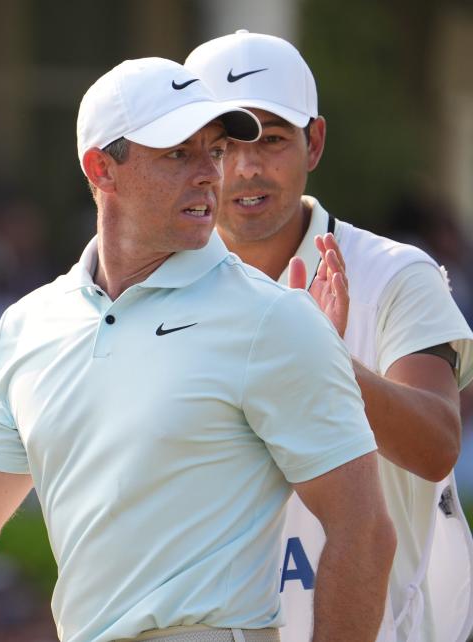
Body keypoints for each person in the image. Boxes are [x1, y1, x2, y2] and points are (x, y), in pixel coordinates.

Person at [0, 57, 396, 642]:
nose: (209, 174)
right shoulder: (31, 325)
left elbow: (363, 529)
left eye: (213, 151)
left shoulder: (275, 320)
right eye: (177, 153)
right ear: (101, 168)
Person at [185, 30, 473, 642]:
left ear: (314, 142)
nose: (246, 167)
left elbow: (436, 444)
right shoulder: (153, 289)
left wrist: (328, 362)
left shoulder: (394, 274)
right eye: (222, 144)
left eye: (273, 138)